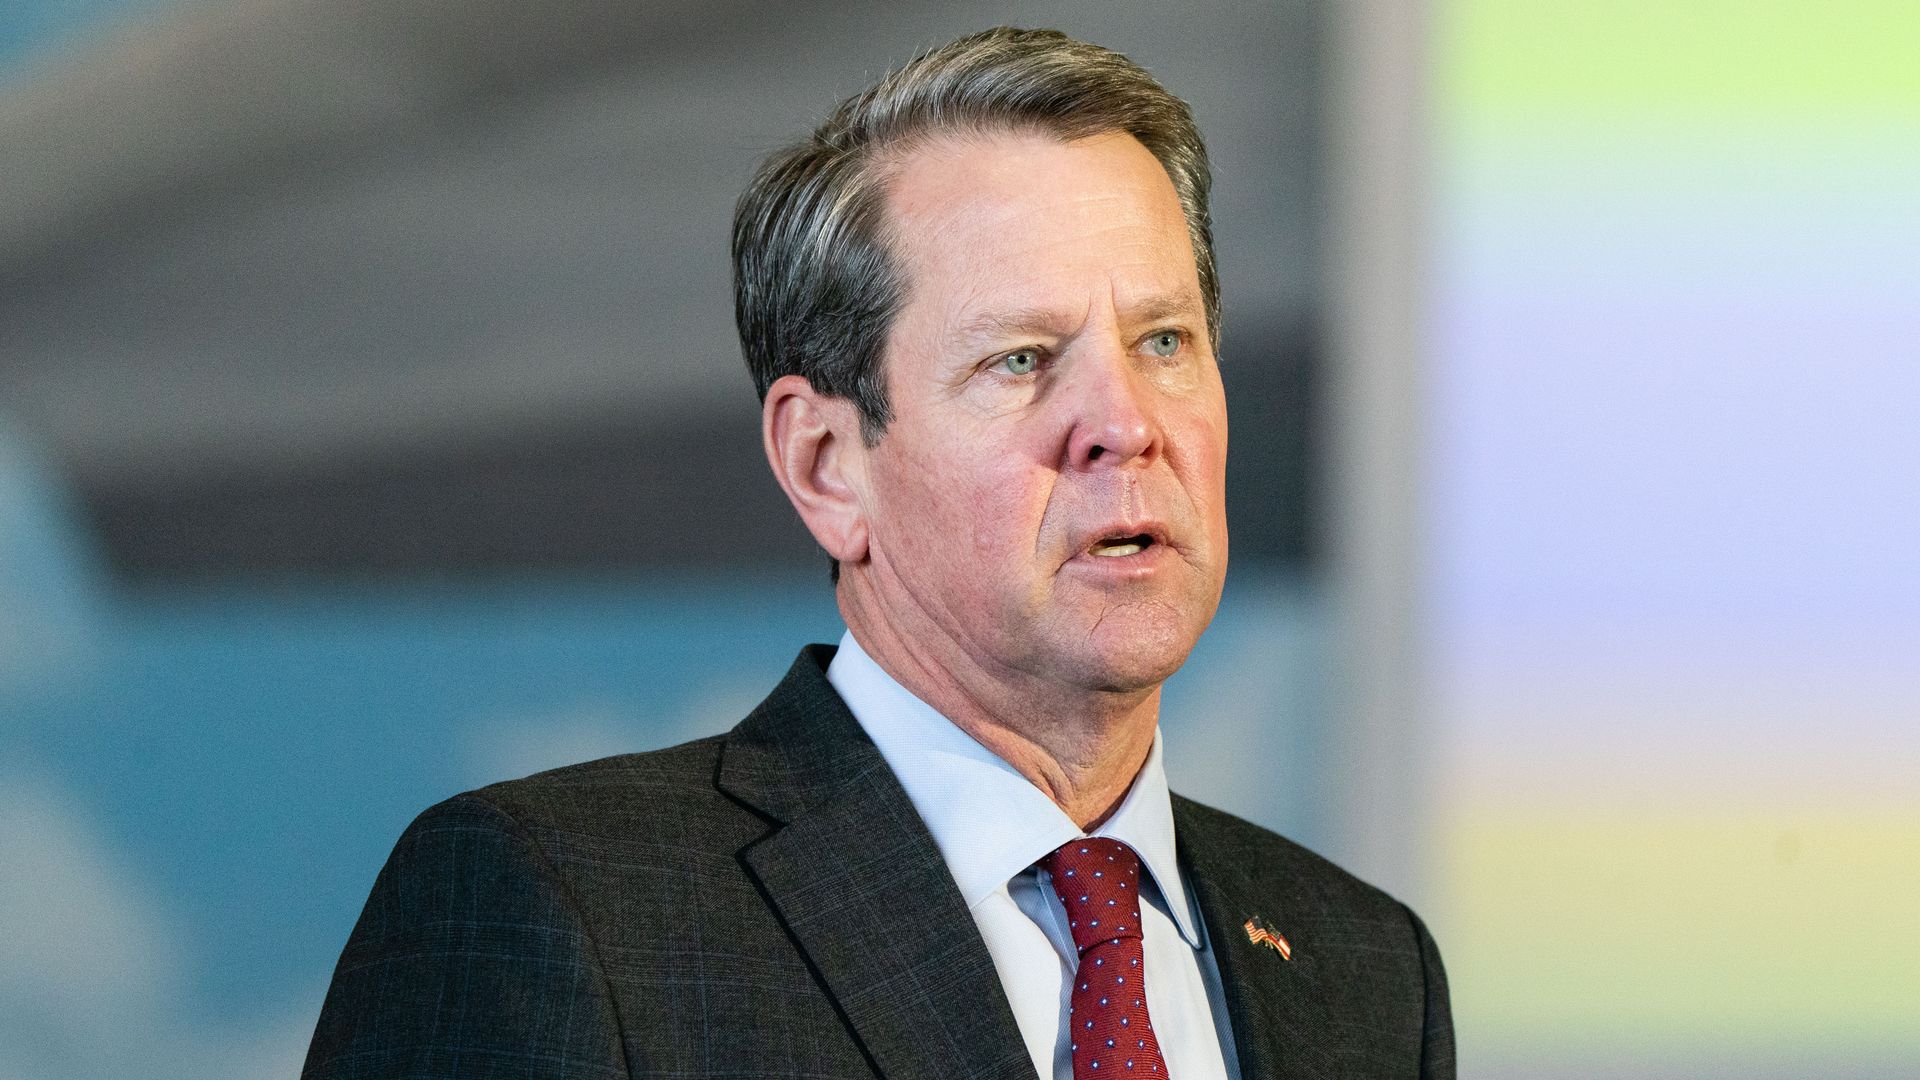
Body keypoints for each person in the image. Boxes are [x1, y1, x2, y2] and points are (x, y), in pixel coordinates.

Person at [303, 27, 1453, 1080]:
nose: (1126, 421)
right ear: (825, 465)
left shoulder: (1367, 970)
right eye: (1020, 360)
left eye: (1164, 340)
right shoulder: (562, 912)